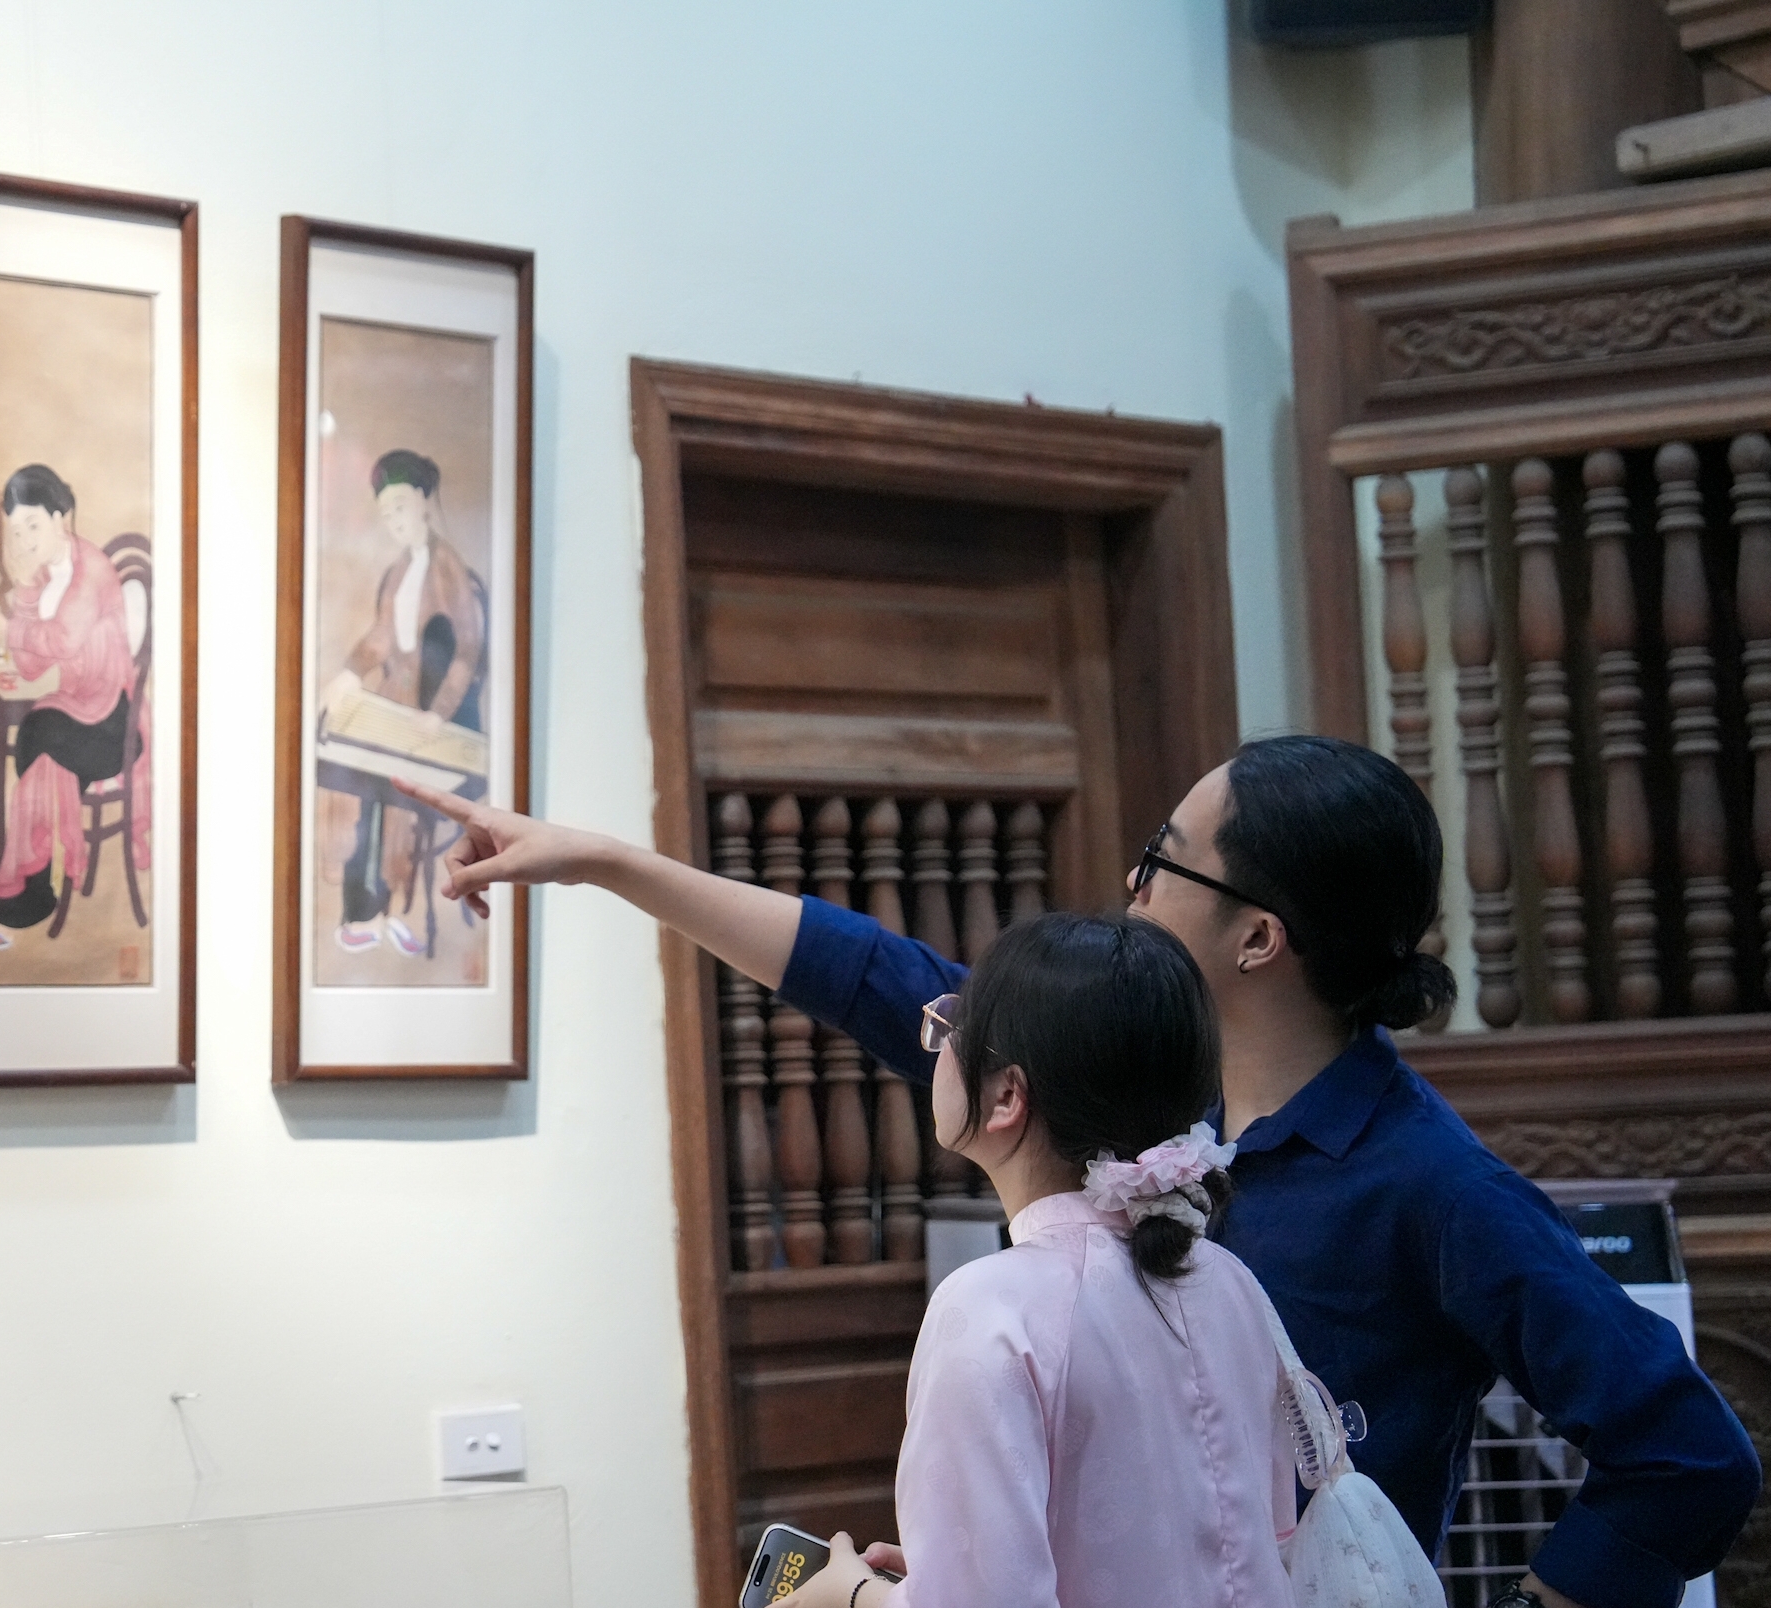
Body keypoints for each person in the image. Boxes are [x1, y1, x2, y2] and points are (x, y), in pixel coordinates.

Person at [411, 734, 1761, 1608]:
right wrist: (610, 863)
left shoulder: (1429, 1185)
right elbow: (871, 976)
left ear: (1257, 939)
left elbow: (1688, 1454)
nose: (1129, 881)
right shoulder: (1131, 1089)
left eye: (1159, 861)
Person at [772, 912, 1295, 1608]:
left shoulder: (989, 1309)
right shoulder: (1231, 1284)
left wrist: (852, 1594)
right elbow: (1257, 1546)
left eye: (951, 1025)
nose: (937, 1044)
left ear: (1006, 1096)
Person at [0, 463, 146, 952]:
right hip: (77, 706)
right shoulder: (42, 573)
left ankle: (24, 898)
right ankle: (28, 897)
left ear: (61, 519)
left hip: (111, 723)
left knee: (35, 743)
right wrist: (22, 595)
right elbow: (29, 661)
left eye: (32, 526)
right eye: (16, 530)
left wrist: (6, 629)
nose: (23, 540)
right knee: (36, 748)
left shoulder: (92, 570)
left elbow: (60, 640)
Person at [325, 449, 486, 958]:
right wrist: (350, 673)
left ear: (421, 499)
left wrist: (440, 711)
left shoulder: (447, 567)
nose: (393, 520)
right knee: (358, 783)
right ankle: (366, 911)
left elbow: (467, 649)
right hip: (397, 701)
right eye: (385, 513)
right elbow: (382, 635)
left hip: (437, 714)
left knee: (400, 799)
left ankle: (400, 909)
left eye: (399, 507)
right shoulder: (398, 571)